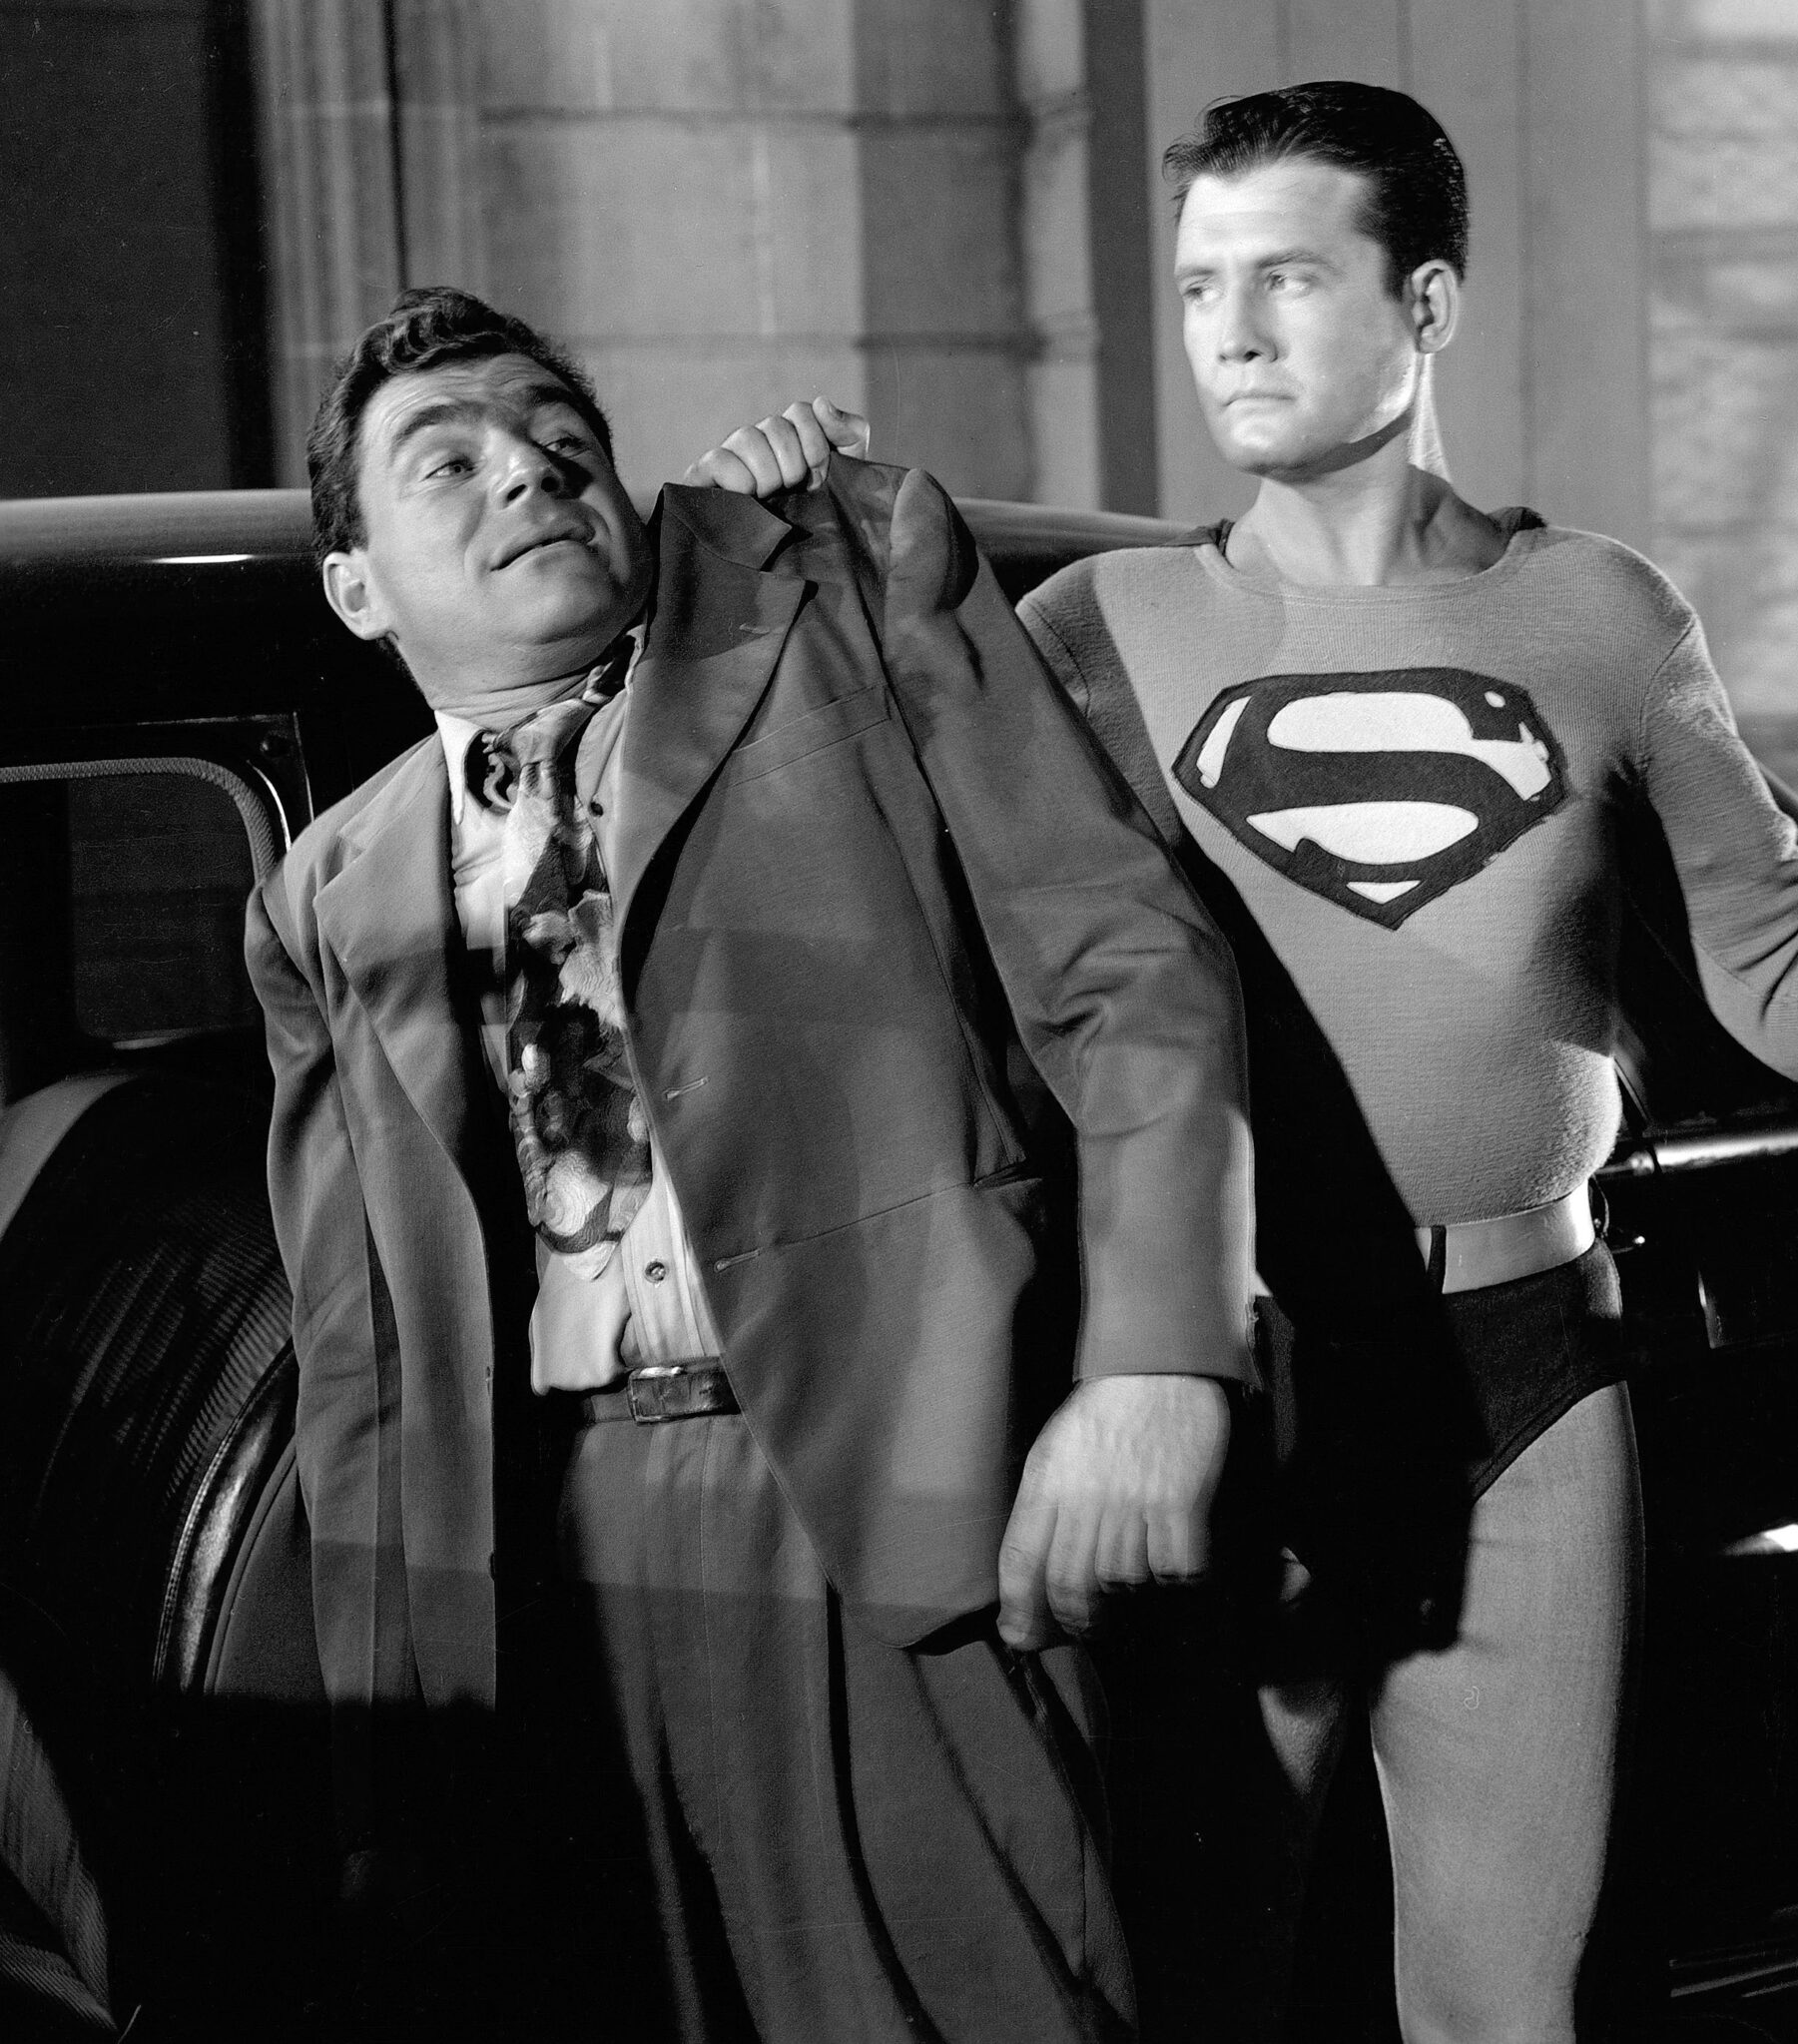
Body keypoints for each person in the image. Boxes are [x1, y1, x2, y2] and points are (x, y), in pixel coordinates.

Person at [696, 81, 1798, 2041]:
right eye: (1201, 288)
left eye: (1287, 278)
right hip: (1238, 1380)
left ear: (1425, 305)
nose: (1231, 334)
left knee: (1503, 2003)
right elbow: (858, 917)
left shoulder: (1599, 616)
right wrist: (772, 557)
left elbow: (1788, 979)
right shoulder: (1097, 632)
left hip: (1528, 1373)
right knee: (1175, 1985)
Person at [246, 286, 1253, 2042]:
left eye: (562, 437)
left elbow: (1131, 970)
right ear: (355, 587)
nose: (529, 472)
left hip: (897, 1485)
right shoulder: (326, 893)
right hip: (557, 1569)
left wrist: (1159, 1358)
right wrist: (386, 1751)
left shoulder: (834, 608)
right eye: (448, 462)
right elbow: (368, 1358)